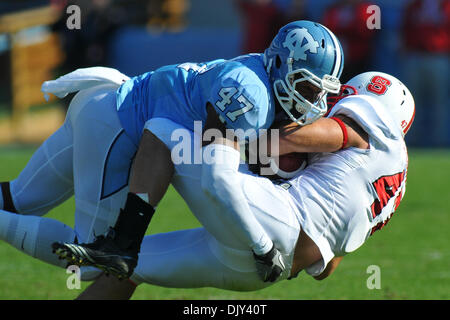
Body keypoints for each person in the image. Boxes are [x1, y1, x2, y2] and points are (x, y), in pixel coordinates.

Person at [0, 21, 343, 280]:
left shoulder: (257, 70)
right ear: (282, 68)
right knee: (93, 265)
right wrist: (262, 246)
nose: (315, 101)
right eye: (309, 87)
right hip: (117, 125)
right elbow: (217, 180)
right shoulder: (250, 97)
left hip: (105, 102)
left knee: (18, 199)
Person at [74, 70, 415, 299]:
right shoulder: (391, 181)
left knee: (165, 130)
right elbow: (325, 269)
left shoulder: (369, 121)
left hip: (276, 224)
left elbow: (284, 142)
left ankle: (121, 235)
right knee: (129, 267)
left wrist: (246, 127)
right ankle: (119, 249)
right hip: (263, 273)